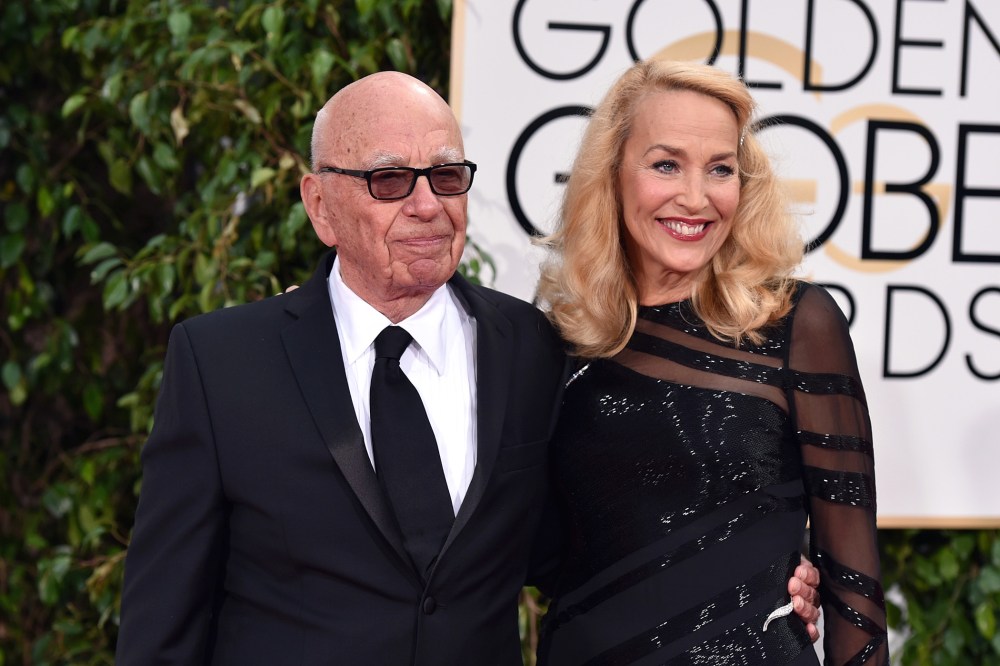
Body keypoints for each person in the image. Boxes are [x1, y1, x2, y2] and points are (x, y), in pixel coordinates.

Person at [116, 71, 819, 664]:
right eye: (390, 180)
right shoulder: (222, 363)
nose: (427, 206)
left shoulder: (531, 347)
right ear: (320, 205)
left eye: (446, 176)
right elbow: (163, 621)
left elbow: (582, 546)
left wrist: (762, 576)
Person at [535, 59, 888, 665]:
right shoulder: (556, 343)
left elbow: (856, 593)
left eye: (720, 169)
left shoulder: (797, 325)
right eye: (666, 164)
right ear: (614, 173)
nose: (696, 198)